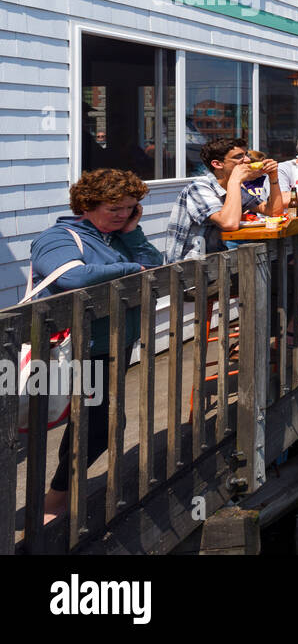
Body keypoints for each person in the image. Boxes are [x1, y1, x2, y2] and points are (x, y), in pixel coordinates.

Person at [29, 169, 164, 523]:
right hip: (74, 347)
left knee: (98, 425)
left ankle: (58, 497)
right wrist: (131, 267)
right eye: (114, 208)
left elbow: (156, 263)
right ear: (87, 204)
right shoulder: (58, 236)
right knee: (93, 427)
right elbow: (72, 276)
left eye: (130, 209)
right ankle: (53, 503)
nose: (122, 215)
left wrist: (132, 234)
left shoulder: (121, 237)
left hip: (113, 344)